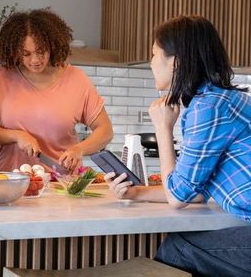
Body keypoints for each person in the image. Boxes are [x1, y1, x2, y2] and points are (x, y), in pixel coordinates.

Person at [104, 15, 251, 276]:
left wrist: (163, 128)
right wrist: (135, 192)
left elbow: (178, 197)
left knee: (180, 246)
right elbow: (196, 190)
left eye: (153, 54)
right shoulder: (221, 99)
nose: (150, 63)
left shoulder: (207, 108)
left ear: (177, 62)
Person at [0, 8, 113, 172]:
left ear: (53, 45)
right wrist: (17, 136)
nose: (35, 60)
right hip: (10, 182)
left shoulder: (76, 79)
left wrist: (79, 149)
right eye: (26, 54)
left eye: (41, 52)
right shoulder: (4, 76)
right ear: (15, 51)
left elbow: (105, 130)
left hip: (60, 184)